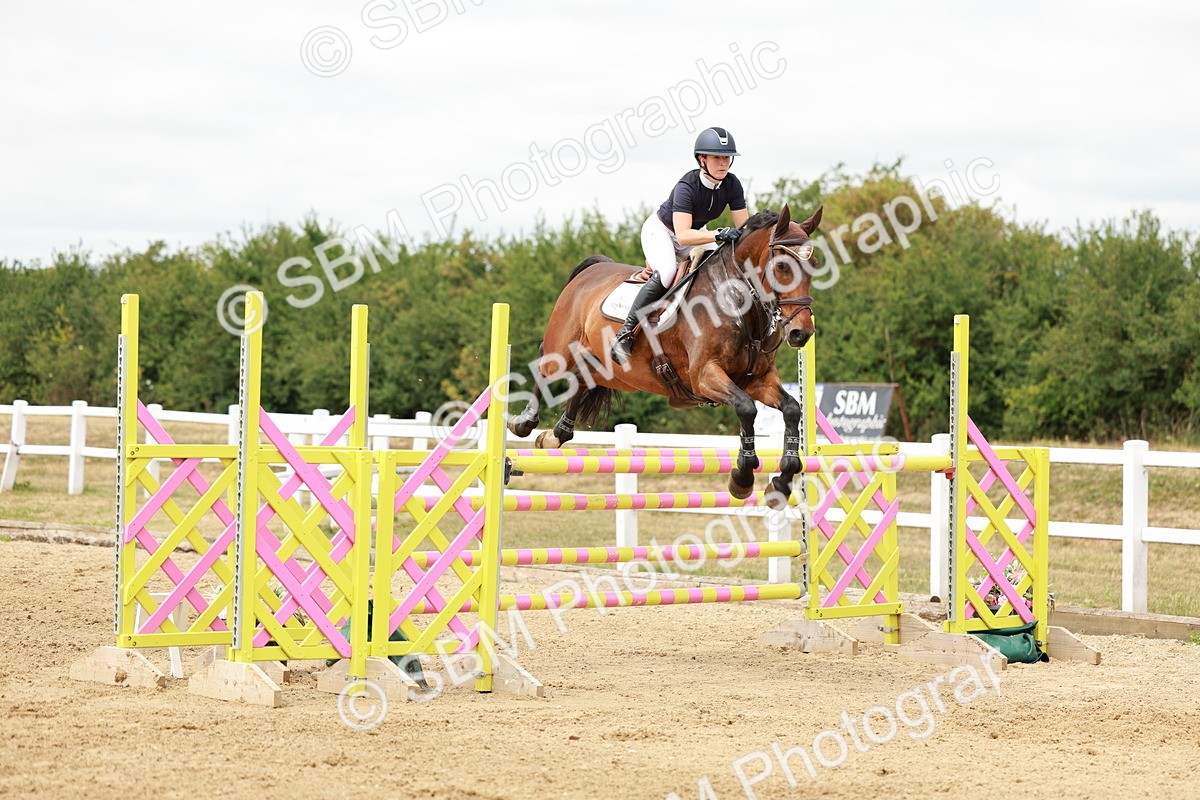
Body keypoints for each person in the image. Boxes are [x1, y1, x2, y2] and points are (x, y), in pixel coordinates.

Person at [611, 126, 751, 365]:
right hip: (663, 232)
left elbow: (745, 228)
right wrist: (718, 234)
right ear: (702, 159)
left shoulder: (732, 184)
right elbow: (683, 236)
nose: (723, 163)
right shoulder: (687, 186)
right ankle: (625, 334)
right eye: (717, 158)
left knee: (719, 266)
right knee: (667, 273)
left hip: (696, 232)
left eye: (727, 158)